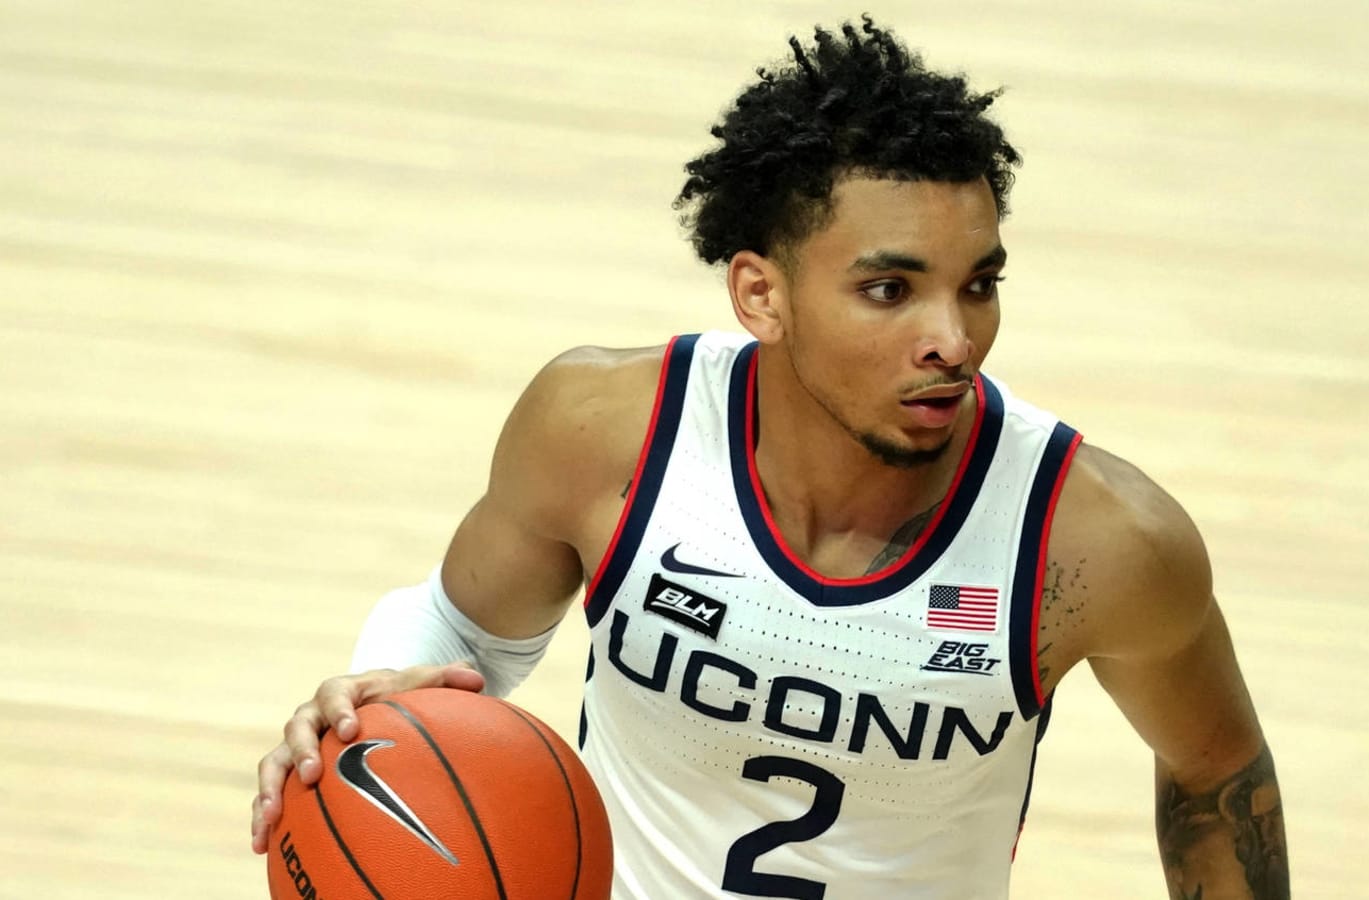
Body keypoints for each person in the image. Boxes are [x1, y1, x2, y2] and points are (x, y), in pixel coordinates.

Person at [250, 16, 1289, 899]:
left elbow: (1215, 773)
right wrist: (361, 700)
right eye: (891, 290)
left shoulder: (1095, 543)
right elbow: (457, 636)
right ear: (761, 295)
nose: (953, 338)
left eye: (978, 282)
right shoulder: (606, 429)